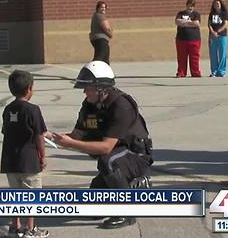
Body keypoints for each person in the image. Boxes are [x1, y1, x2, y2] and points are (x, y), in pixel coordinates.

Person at [52, 61, 153, 229]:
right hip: (115, 154)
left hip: (135, 156)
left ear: (101, 88)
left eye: (88, 87)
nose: (84, 91)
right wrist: (52, 137)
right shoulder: (89, 104)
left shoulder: (121, 105)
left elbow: (106, 147)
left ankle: (127, 213)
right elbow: (77, 135)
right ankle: (135, 186)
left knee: (108, 161)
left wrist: (72, 144)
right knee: (93, 208)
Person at [0, 70, 49, 238]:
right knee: (31, 196)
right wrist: (42, 157)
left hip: (9, 160)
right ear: (29, 88)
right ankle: (30, 228)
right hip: (29, 161)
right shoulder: (33, 110)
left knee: (15, 195)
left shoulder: (8, 109)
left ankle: (15, 226)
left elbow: (5, 131)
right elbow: (39, 136)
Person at [174, 0, 202, 77]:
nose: (191, 7)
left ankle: (195, 72)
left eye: (192, 6)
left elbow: (196, 23)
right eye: (189, 5)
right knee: (181, 57)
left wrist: (184, 23)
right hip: (181, 39)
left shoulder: (196, 14)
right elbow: (177, 22)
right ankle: (181, 72)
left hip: (194, 39)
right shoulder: (180, 13)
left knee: (194, 57)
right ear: (186, 5)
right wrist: (190, 23)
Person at [208, 0, 228, 77]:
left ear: (221, 5)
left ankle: (221, 71)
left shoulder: (224, 13)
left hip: (222, 36)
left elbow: (225, 24)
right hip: (212, 36)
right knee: (213, 54)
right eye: (215, 4)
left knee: (222, 54)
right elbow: (209, 24)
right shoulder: (211, 14)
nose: (217, 5)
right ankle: (214, 71)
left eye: (218, 4)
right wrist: (213, 32)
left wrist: (218, 31)